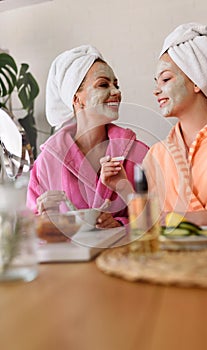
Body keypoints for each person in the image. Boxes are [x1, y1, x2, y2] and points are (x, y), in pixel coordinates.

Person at [101, 23, 207, 226]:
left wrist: (185, 219)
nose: (156, 90)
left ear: (197, 81)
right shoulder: (157, 155)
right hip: (171, 257)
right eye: (156, 82)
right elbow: (150, 222)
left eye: (165, 79)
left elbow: (166, 221)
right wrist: (122, 186)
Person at [27, 45, 149, 228]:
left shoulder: (138, 154)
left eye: (116, 85)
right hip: (70, 257)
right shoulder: (46, 163)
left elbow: (160, 217)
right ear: (77, 99)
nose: (116, 92)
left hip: (125, 255)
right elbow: (29, 230)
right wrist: (43, 221)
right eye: (103, 85)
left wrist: (120, 223)